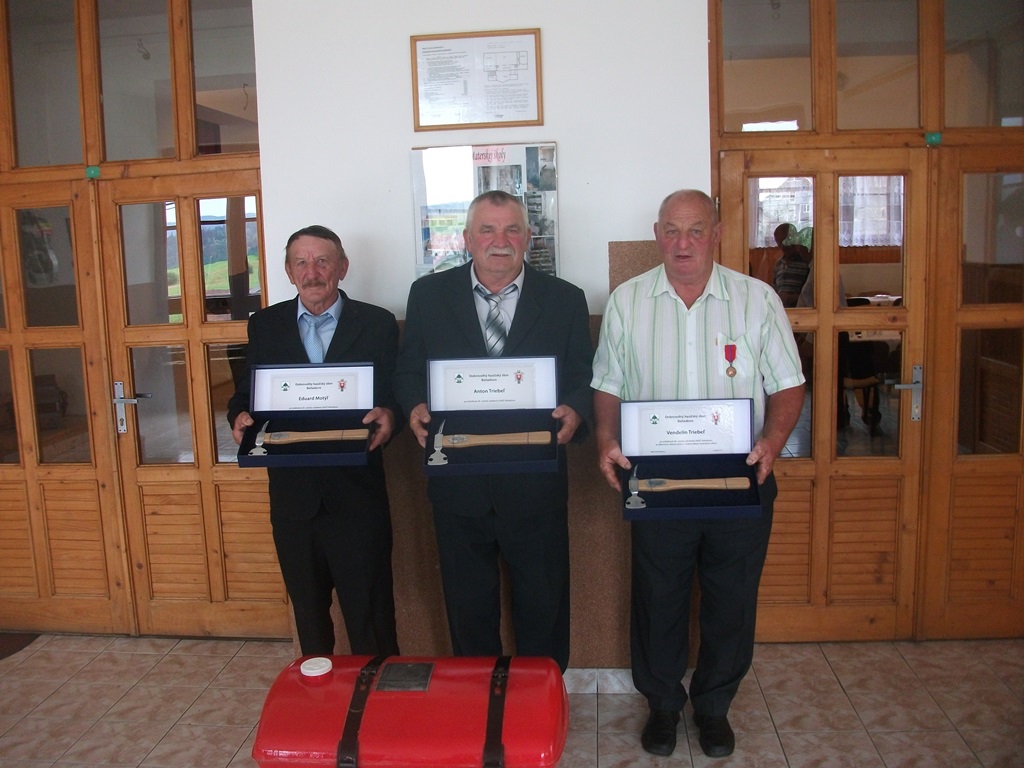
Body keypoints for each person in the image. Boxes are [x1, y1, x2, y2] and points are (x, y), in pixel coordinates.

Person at [592, 190, 805, 758]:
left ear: (716, 234)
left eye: (695, 230)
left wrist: (772, 442)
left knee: (731, 599)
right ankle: (663, 705)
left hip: (742, 477)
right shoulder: (628, 301)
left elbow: (788, 385)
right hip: (656, 483)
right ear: (657, 234)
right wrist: (606, 439)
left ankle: (714, 707)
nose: (682, 243)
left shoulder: (757, 300)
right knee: (657, 598)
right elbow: (608, 384)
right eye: (671, 230)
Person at [393, 190, 593, 672]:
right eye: (487, 230)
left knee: (543, 606)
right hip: (457, 483)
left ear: (528, 237)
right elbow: (408, 369)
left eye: (511, 230)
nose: (499, 241)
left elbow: (583, 375)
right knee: (468, 610)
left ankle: (539, 701)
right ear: (467, 239)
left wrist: (576, 410)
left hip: (536, 482)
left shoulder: (565, 299)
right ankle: (476, 701)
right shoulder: (428, 296)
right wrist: (414, 404)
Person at [227, 225, 400, 658]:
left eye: (322, 261)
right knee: (309, 618)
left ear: (342, 267)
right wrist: (238, 416)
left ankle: (378, 694)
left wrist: (391, 415)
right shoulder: (265, 325)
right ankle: (320, 696)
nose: (312, 272)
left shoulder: (377, 323)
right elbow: (246, 394)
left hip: (357, 497)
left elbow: (397, 393)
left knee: (372, 619)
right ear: (288, 272)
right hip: (294, 500)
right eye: (301, 263)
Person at [772, 223, 811, 307]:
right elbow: (775, 289)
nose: (782, 246)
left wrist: (793, 298)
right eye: (779, 242)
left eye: (785, 240)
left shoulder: (805, 263)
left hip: (801, 309)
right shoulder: (778, 264)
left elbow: (810, 292)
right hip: (782, 309)